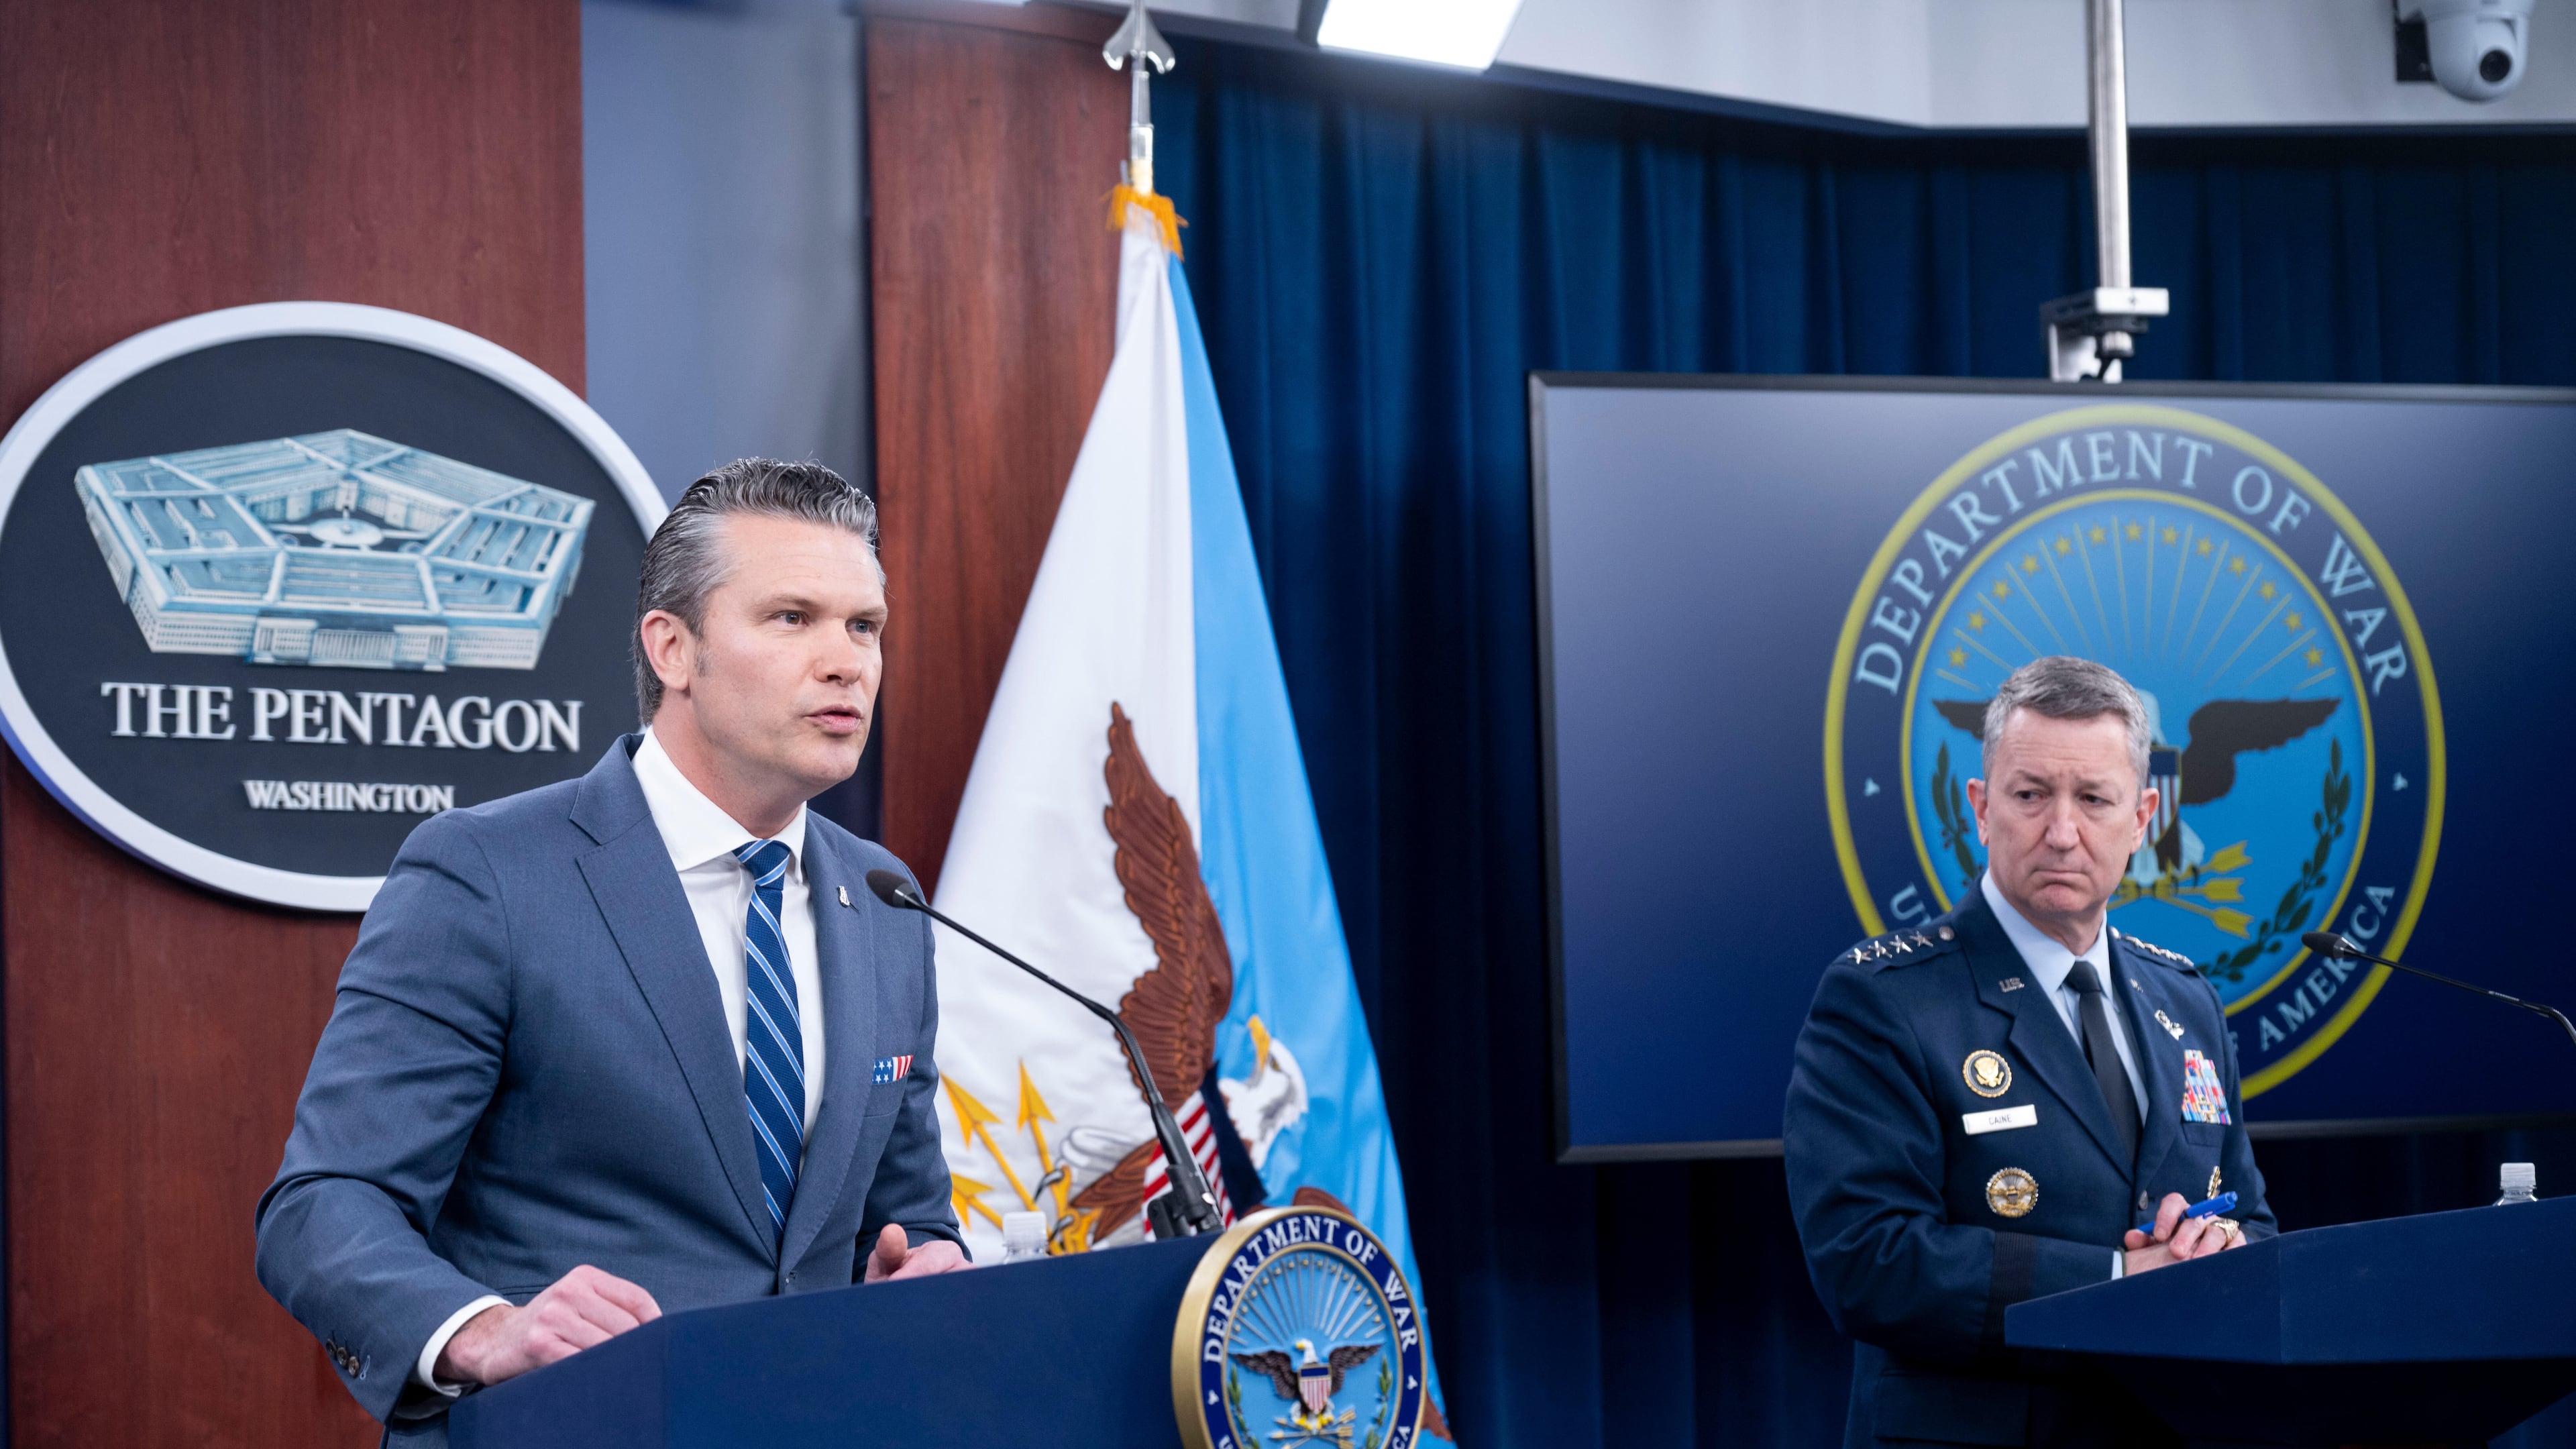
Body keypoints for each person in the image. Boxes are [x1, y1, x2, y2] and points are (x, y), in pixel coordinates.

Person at [256, 460, 965, 1443]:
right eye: (791, 618)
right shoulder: (488, 874)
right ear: (673, 649)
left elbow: (908, 1217)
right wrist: (484, 1332)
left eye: (864, 626)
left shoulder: (885, 899)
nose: (847, 661)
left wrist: (928, 1264)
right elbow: (325, 1206)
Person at [1785, 655, 2274, 1449]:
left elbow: (2251, 1215)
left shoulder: (2186, 999)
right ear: (1980, 807)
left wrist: (2220, 1249)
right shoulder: (1883, 999)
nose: (2062, 831)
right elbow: (1868, 1260)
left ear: (2143, 816)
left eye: (2093, 799)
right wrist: (2118, 1285)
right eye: (2030, 795)